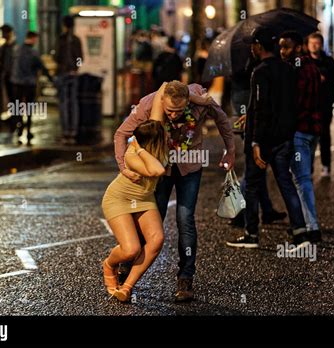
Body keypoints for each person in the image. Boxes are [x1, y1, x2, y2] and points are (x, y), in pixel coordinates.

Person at [114, 80, 235, 302]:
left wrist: (231, 150)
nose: (173, 115)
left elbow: (223, 120)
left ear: (188, 102)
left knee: (185, 218)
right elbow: (121, 134)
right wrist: (123, 167)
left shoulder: (199, 101)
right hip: (161, 170)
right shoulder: (149, 104)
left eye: (179, 111)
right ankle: (127, 267)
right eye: (169, 110)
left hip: (190, 167)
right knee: (151, 219)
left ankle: (185, 278)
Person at [226, 28, 309, 250]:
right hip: (284, 138)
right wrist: (250, 113)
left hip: (263, 141)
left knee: (252, 186)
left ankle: (252, 234)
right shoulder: (289, 70)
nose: (251, 49)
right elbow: (284, 105)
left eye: (252, 45)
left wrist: (255, 142)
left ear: (259, 46)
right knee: (286, 183)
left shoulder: (260, 71)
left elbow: (263, 108)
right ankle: (301, 233)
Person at [101, 119, 168, 302]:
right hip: (119, 199)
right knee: (131, 249)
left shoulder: (160, 148)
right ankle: (108, 265)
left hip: (144, 199)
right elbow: (157, 170)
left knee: (157, 240)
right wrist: (138, 148)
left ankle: (127, 287)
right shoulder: (132, 154)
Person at [229, 55, 287, 228]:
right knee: (252, 172)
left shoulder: (243, 65)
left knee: (256, 171)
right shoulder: (251, 68)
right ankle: (238, 210)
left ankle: (267, 210)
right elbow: (255, 100)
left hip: (250, 121)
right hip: (251, 125)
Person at [279, 30, 322, 243]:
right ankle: (306, 223)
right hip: (313, 130)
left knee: (301, 179)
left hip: (299, 131)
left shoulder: (294, 71)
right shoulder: (313, 67)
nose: (281, 51)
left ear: (297, 47)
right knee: (304, 178)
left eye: (285, 47)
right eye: (279, 46)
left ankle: (311, 226)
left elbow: (293, 104)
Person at [307, 32, 334, 177]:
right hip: (308, 106)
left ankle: (326, 165)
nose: (314, 46)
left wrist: (325, 77)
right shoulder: (304, 62)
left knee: (324, 135)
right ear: (308, 45)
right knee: (308, 138)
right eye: (312, 43)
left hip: (325, 104)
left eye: (317, 43)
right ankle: (308, 169)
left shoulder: (328, 61)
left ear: (321, 45)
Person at [11, 31, 52, 146]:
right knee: (29, 107)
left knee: (17, 107)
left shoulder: (17, 50)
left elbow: (11, 66)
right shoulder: (34, 53)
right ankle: (28, 130)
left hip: (16, 82)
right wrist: (51, 79)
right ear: (33, 39)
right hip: (29, 83)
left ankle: (19, 129)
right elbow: (41, 67)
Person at [55, 15, 83, 144]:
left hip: (63, 74)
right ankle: (73, 132)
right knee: (74, 103)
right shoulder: (76, 40)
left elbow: (57, 57)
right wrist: (75, 68)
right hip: (73, 74)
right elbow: (80, 58)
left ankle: (66, 132)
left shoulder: (61, 39)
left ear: (64, 25)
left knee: (64, 103)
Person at [0, 24, 16, 123]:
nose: (2, 35)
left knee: (14, 98)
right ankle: (12, 117)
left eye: (4, 33)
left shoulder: (14, 47)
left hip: (14, 77)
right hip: (5, 76)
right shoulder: (3, 47)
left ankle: (15, 118)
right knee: (9, 97)